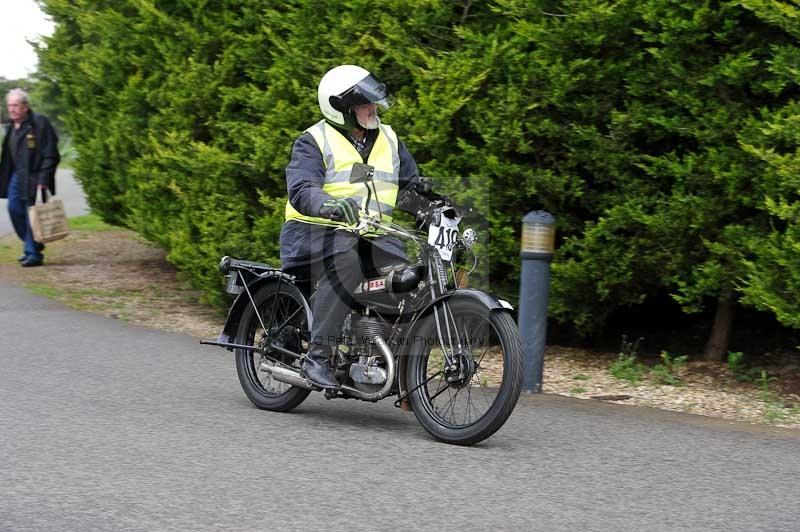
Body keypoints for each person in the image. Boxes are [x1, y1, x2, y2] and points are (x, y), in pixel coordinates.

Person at [280, 65, 423, 389]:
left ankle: (379, 357)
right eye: (364, 104)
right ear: (342, 109)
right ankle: (319, 356)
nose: (373, 109)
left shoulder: (389, 139)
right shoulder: (314, 140)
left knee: (406, 277)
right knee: (346, 261)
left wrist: (440, 207)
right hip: (313, 231)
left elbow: (412, 187)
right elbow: (302, 188)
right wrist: (328, 204)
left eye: (373, 102)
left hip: (370, 235)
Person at [0, 88, 60, 267]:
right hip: (16, 177)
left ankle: (33, 253)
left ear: (25, 106)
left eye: (15, 105)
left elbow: (51, 153)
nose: (11, 109)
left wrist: (44, 178)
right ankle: (32, 242)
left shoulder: (39, 123)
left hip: (35, 176)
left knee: (31, 214)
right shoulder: (11, 127)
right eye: (9, 105)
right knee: (14, 209)